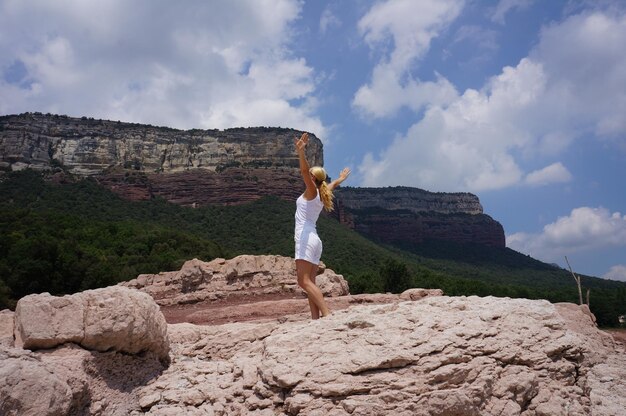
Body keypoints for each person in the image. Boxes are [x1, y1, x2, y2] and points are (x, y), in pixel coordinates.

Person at [294, 132, 351, 319]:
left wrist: (301, 152)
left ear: (313, 179)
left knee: (303, 282)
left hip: (305, 238)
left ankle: (326, 313)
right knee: (310, 281)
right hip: (315, 239)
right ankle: (315, 319)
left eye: (310, 176)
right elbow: (332, 184)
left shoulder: (311, 192)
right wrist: (341, 179)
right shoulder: (321, 192)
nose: (307, 177)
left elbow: (304, 171)